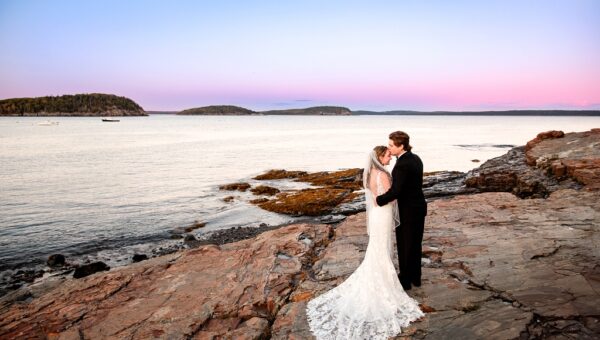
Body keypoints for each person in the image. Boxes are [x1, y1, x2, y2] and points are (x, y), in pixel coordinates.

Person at [306, 146, 423, 339]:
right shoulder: (383, 174)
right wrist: (398, 199)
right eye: (387, 156)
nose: (390, 158)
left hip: (377, 216)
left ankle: (382, 277)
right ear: (379, 157)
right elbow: (385, 199)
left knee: (377, 247)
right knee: (382, 248)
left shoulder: (370, 174)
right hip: (383, 214)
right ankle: (385, 284)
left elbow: (374, 197)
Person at [376, 131, 427, 291]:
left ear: (401, 146)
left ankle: (405, 280)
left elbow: (396, 191)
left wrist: (379, 200)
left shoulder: (402, 164)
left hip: (407, 210)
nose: (389, 149)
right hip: (419, 207)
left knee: (405, 244)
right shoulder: (416, 158)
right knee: (416, 243)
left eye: (391, 145)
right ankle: (416, 278)